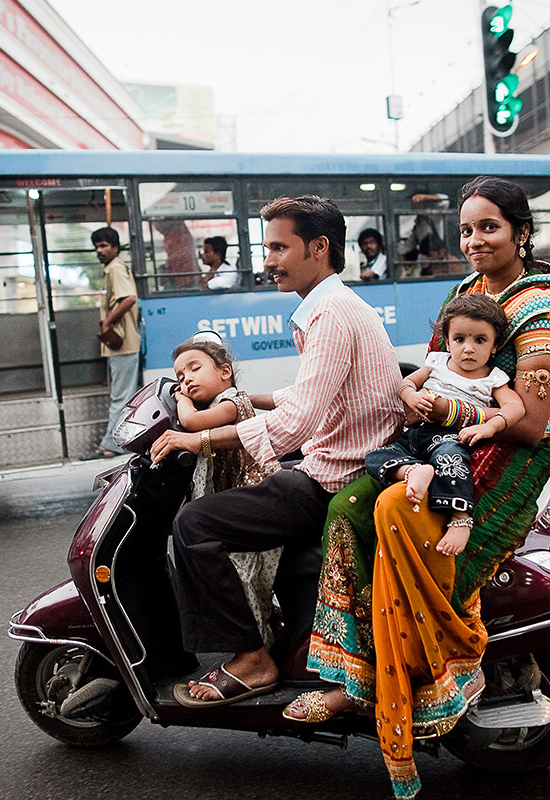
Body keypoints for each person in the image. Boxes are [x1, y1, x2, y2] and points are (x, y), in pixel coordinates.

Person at [293, 176, 550, 800]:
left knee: (401, 510)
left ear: (520, 232)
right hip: (446, 433)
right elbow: (435, 367)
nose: (474, 241)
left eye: (489, 228)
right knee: (346, 504)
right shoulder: (466, 292)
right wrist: (407, 396)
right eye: (468, 229)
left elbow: (528, 421)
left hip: (514, 446)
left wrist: (443, 416)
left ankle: (424, 679)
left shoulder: (540, 312)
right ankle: (352, 668)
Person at [148, 195, 403, 708]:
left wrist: (197, 438)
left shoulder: (330, 315)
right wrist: (245, 399)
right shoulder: (334, 307)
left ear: (320, 247)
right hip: (342, 462)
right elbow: (310, 397)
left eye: (278, 247)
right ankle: (285, 636)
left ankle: (250, 657)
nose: (268, 261)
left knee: (194, 526)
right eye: (267, 248)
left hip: (335, 474)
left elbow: (298, 422)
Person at [364, 293, 525, 556]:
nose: (468, 348)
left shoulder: (492, 378)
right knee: (375, 455)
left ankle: (460, 519)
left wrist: (490, 427)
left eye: (480, 340)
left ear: (494, 346)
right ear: (448, 342)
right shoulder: (436, 362)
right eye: (460, 339)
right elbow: (405, 383)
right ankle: (413, 472)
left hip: (449, 436)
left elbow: (515, 407)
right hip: (416, 435)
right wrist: (411, 396)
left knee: (451, 461)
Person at [169, 333, 282, 648]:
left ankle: (255, 649)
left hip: (256, 497)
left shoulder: (231, 402)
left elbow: (193, 423)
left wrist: (180, 399)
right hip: (241, 497)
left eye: (194, 368)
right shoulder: (222, 401)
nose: (186, 380)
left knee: (244, 574)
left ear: (224, 372)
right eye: (180, 376)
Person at [90, 226, 140, 458]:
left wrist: (107, 323)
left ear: (115, 248)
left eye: (103, 246)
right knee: (121, 395)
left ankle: (110, 444)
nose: (99, 251)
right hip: (121, 345)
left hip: (123, 344)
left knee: (120, 397)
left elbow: (129, 298)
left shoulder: (115, 269)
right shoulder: (113, 268)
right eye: (96, 247)